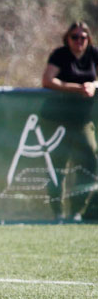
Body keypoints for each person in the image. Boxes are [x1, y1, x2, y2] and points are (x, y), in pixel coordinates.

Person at [40, 21, 98, 222]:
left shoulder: (93, 55)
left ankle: (77, 211)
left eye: (83, 37)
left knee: (89, 162)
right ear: (68, 38)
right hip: (56, 120)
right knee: (58, 166)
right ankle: (58, 212)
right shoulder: (60, 55)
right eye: (75, 37)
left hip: (82, 120)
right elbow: (48, 80)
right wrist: (77, 88)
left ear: (88, 39)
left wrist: (93, 85)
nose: (79, 41)